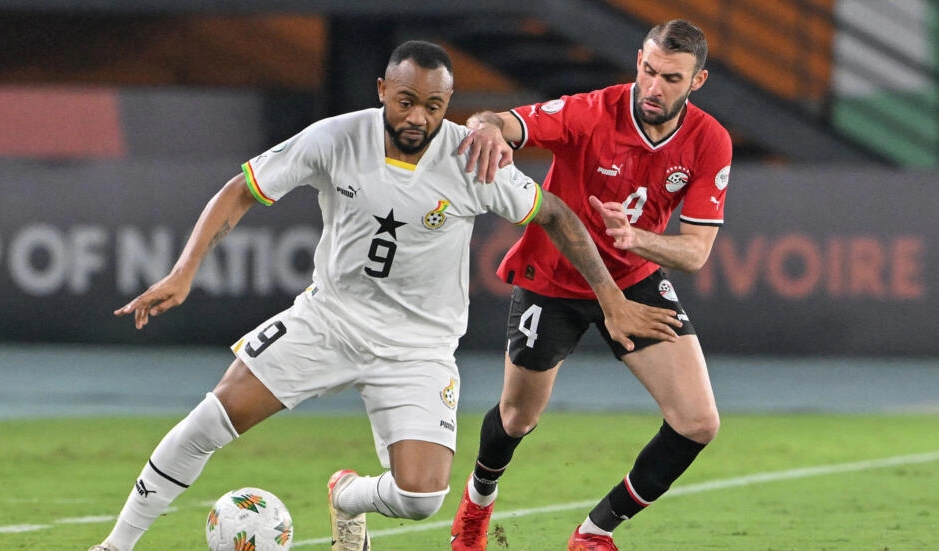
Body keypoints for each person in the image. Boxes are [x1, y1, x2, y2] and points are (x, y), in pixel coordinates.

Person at [88, 40, 682, 551]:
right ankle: (117, 543)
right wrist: (184, 271)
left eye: (434, 105)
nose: (419, 117)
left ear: (448, 105)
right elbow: (240, 189)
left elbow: (556, 214)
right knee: (210, 420)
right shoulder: (334, 138)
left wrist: (608, 295)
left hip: (419, 349)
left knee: (422, 499)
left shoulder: (473, 159)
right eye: (406, 100)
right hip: (330, 321)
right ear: (381, 90)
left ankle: (346, 495)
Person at [450, 20, 731, 551]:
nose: (653, 87)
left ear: (697, 82)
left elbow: (694, 253)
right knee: (516, 417)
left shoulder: (709, 140)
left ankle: (593, 535)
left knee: (697, 422)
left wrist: (634, 239)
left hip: (635, 281)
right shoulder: (590, 112)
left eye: (671, 78)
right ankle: (477, 503)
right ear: (638, 61)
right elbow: (498, 120)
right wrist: (486, 128)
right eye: (648, 70)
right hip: (552, 279)